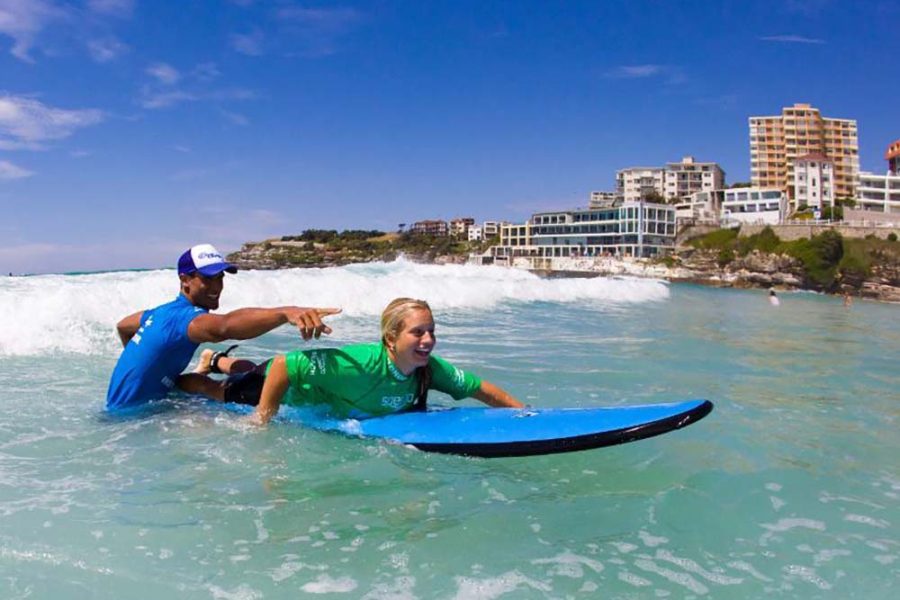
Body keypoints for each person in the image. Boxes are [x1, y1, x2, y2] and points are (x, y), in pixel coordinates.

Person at [179, 297, 523, 423]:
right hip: (284, 386)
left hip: (290, 376)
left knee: (249, 370)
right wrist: (262, 419)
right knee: (220, 393)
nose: (429, 340)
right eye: (417, 333)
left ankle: (219, 359)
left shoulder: (429, 369)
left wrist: (525, 417)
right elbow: (285, 365)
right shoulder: (358, 364)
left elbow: (480, 389)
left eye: (431, 331)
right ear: (391, 338)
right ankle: (182, 379)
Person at [106, 243, 340, 410]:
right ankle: (214, 362)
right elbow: (224, 327)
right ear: (184, 280)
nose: (217, 285)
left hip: (154, 403)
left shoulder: (159, 313)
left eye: (220, 277)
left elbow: (123, 327)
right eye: (207, 278)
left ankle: (214, 362)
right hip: (133, 418)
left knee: (244, 380)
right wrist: (285, 313)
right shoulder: (185, 319)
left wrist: (143, 362)